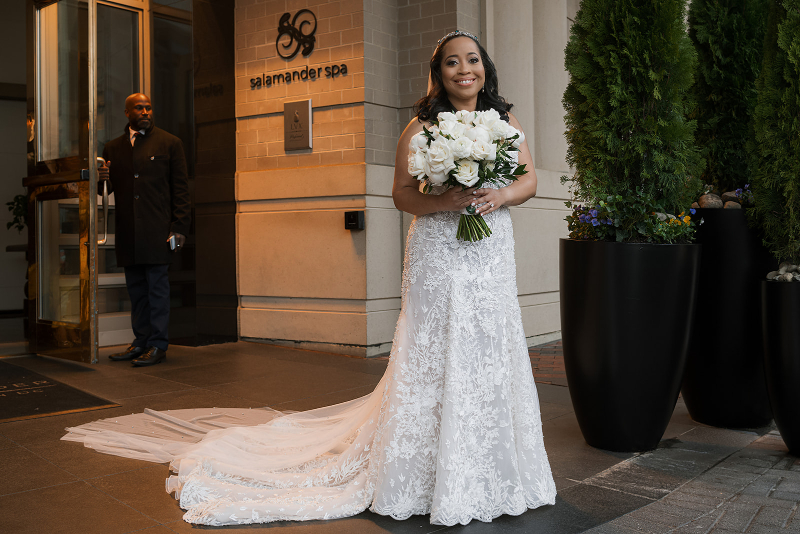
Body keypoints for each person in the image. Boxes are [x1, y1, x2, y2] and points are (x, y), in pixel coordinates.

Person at [63, 32, 556, 525]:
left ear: (484, 67)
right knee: (434, 347)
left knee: (488, 344)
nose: (463, 69)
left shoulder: (504, 122)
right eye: (452, 62)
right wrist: (443, 201)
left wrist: (502, 197)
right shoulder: (421, 127)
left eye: (471, 60)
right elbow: (402, 194)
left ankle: (491, 465)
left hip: (488, 248)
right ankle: (424, 467)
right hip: (439, 251)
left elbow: (528, 178)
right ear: (439, 72)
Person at [101, 93, 191, 367]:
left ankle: (158, 345)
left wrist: (179, 228)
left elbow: (181, 191)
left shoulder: (170, 143)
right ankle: (140, 342)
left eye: (149, 107)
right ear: (127, 113)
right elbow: (103, 192)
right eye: (139, 108)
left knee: (158, 292)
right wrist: (100, 179)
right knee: (137, 292)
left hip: (158, 231)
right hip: (129, 233)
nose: (145, 112)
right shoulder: (113, 148)